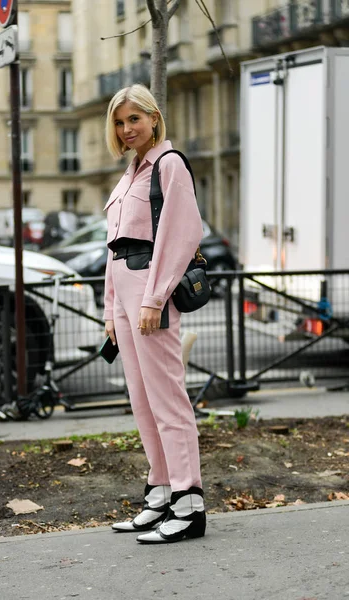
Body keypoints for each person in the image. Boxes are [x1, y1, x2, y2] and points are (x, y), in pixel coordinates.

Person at [103, 84, 205, 544]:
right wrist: (111, 310)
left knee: (168, 401)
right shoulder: (129, 174)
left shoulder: (168, 165)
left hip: (150, 292)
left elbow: (182, 235)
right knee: (143, 402)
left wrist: (154, 298)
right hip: (125, 297)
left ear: (154, 118)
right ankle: (160, 493)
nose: (127, 129)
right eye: (120, 123)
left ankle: (189, 502)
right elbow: (113, 249)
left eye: (134, 120)